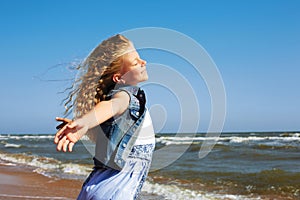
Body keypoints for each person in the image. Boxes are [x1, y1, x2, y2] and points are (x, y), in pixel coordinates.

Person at [54, 34, 155, 200]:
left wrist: (83, 124)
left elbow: (105, 114)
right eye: (136, 62)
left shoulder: (123, 104)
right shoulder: (126, 95)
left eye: (140, 58)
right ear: (119, 78)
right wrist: (84, 122)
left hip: (97, 185)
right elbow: (112, 105)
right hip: (114, 190)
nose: (144, 62)